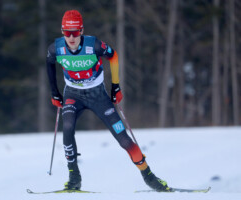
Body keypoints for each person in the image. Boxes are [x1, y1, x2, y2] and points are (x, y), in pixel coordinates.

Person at [46, 10, 169, 192]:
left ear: (82, 31)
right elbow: (49, 63)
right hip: (73, 94)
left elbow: (114, 56)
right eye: (67, 33)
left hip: (98, 95)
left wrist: (116, 86)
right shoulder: (56, 48)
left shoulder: (93, 45)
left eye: (75, 32)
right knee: (68, 128)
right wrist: (55, 92)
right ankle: (74, 177)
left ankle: (149, 177)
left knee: (124, 139)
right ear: (62, 31)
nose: (71, 38)